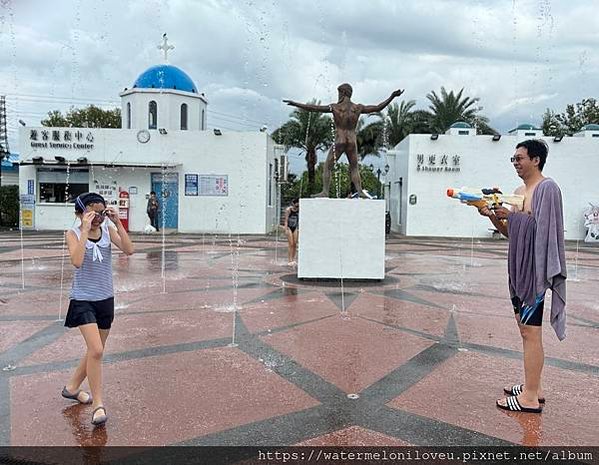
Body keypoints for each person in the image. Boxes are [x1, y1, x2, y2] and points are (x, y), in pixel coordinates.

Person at [478, 139, 566, 414]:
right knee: (525, 331)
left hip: (534, 273)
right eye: (513, 159)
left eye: (520, 158)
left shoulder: (546, 189)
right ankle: (534, 387)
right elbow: (511, 233)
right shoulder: (518, 192)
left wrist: (511, 216)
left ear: (536, 160)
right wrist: (492, 216)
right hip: (517, 270)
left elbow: (544, 232)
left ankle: (529, 398)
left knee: (530, 332)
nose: (515, 163)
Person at [62, 192, 134, 426]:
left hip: (105, 299)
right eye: (92, 212)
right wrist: (83, 230)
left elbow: (129, 250)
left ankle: (72, 387)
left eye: (101, 212)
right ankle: (98, 405)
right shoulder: (72, 234)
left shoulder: (107, 232)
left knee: (96, 350)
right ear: (81, 212)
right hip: (83, 299)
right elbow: (77, 261)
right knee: (96, 349)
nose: (97, 218)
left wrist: (118, 224)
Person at [283, 84, 403, 198]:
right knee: (354, 167)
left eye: (339, 92)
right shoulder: (358, 108)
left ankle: (325, 191)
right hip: (352, 140)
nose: (338, 95)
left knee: (327, 167)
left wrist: (296, 104)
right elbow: (378, 107)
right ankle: (360, 191)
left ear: (344, 92)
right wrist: (392, 96)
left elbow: (314, 108)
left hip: (340, 140)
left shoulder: (335, 107)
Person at [284, 198, 299, 266]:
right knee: (291, 244)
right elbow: (286, 220)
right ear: (293, 203)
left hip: (295, 227)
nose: (298, 205)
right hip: (289, 227)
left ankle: (293, 259)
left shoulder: (299, 210)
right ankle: (289, 260)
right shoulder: (289, 210)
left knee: (295, 244)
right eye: (297, 203)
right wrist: (286, 229)